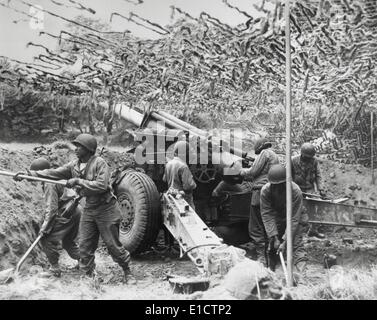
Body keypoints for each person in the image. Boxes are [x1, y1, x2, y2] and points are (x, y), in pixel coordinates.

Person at [14, 134, 131, 279]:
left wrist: (78, 181)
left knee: (113, 245)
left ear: (88, 149)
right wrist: (29, 174)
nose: (76, 149)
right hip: (89, 208)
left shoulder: (99, 163)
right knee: (85, 246)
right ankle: (89, 278)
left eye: (79, 146)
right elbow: (54, 173)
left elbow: (101, 185)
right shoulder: (74, 165)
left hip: (106, 208)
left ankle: (127, 272)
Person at [29, 157, 81, 277]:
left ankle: (54, 269)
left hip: (66, 212)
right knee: (68, 241)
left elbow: (51, 209)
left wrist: (45, 227)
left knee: (46, 239)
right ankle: (85, 261)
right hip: (75, 210)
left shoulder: (49, 184)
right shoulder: (55, 178)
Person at [238, 138, 279, 266]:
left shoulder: (264, 153)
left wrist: (240, 170)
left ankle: (262, 257)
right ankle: (271, 257)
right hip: (272, 191)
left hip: (260, 192)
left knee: (255, 226)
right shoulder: (274, 155)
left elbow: (253, 172)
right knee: (268, 223)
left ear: (259, 146)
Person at [260, 164, 308, 272]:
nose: (277, 188)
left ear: (286, 182)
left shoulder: (295, 191)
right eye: (274, 185)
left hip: (296, 217)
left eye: (280, 185)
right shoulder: (265, 191)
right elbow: (267, 215)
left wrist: (285, 241)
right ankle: (271, 271)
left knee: (296, 244)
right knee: (272, 244)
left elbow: (294, 219)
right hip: (278, 216)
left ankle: (302, 274)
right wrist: (275, 237)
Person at [291, 142, 325, 239]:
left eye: (310, 157)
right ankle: (295, 232)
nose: (309, 159)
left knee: (316, 207)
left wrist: (321, 189)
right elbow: (287, 176)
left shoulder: (314, 161)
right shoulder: (293, 161)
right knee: (296, 210)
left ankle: (313, 230)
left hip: (310, 188)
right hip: (297, 189)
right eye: (307, 157)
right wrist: (291, 188)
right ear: (302, 154)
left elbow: (318, 176)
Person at [163, 140, 197, 209]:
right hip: (184, 200)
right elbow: (188, 187)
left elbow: (164, 179)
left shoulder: (168, 164)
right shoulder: (183, 166)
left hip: (172, 197)